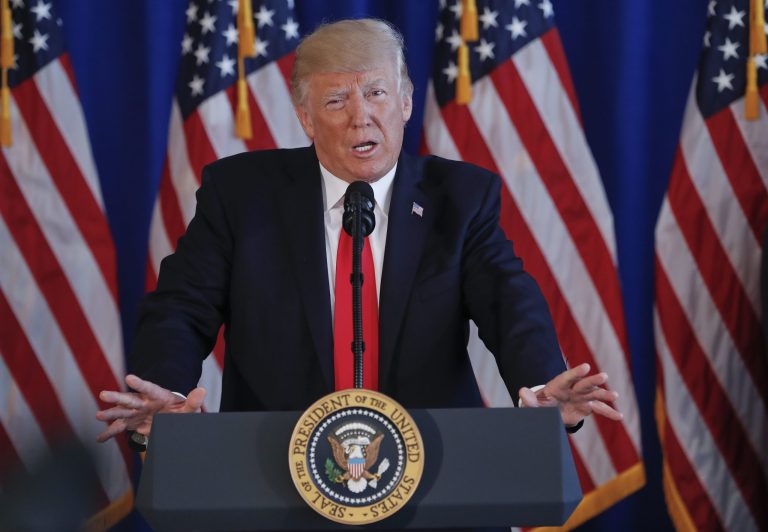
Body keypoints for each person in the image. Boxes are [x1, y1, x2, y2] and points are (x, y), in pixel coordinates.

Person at [96, 18, 621, 446]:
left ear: (406, 101)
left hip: (432, 471)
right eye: (335, 102)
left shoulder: (459, 198)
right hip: (275, 469)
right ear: (304, 117)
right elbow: (181, 308)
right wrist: (162, 392)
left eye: (376, 93)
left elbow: (510, 303)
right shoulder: (240, 195)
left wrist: (541, 384)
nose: (360, 117)